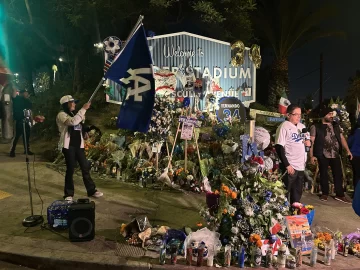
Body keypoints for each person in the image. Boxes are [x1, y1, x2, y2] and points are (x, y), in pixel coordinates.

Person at [56, 95, 103, 201]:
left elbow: (79, 124)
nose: (74, 104)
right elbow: (72, 122)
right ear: (66, 104)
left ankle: (91, 190)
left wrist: (85, 132)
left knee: (85, 167)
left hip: (78, 145)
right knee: (70, 169)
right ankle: (68, 194)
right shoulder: (62, 115)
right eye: (72, 102)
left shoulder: (74, 114)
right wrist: (83, 109)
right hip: (69, 146)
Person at [309, 107, 352, 203]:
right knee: (323, 174)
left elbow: (342, 138)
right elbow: (311, 142)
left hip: (335, 154)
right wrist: (311, 156)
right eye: (329, 114)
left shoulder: (336, 126)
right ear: (324, 115)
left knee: (338, 174)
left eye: (332, 114)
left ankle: (340, 194)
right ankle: (325, 194)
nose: (331, 116)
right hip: (322, 154)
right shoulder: (316, 127)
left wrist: (348, 150)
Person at [275, 104, 310, 204]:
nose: (299, 117)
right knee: (284, 194)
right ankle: (283, 214)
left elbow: (307, 142)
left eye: (300, 114)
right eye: (296, 114)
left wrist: (309, 143)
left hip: (301, 166)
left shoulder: (302, 127)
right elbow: (279, 146)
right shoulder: (284, 126)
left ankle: (294, 213)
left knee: (297, 195)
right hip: (290, 166)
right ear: (288, 115)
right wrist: (287, 165)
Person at [10, 88, 33, 157]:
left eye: (27, 93)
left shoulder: (28, 101)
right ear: (22, 93)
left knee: (27, 136)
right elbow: (13, 95)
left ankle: (26, 150)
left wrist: (32, 121)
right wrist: (12, 85)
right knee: (17, 136)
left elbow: (30, 111)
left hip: (26, 120)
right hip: (19, 120)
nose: (27, 94)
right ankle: (12, 150)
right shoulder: (17, 99)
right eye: (25, 93)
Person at [348, 119, 360, 190]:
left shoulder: (354, 131)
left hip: (353, 155)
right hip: (357, 155)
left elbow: (349, 142)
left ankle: (356, 193)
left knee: (356, 175)